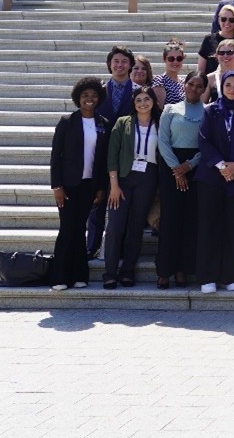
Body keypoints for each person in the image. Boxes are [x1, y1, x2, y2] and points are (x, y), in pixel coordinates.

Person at [48, 77, 109, 291]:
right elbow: (56, 157)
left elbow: (102, 160)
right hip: (67, 185)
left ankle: (79, 275)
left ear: (99, 98)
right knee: (67, 229)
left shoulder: (103, 123)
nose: (89, 99)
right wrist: (57, 186)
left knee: (80, 229)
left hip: (89, 185)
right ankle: (60, 277)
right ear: (78, 98)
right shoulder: (67, 122)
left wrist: (101, 187)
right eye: (85, 96)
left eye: (93, 96)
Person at [196, 70, 234, 293]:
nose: (232, 89)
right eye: (228, 85)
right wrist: (222, 166)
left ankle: (233, 275)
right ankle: (208, 276)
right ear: (222, 87)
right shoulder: (211, 111)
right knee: (210, 226)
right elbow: (203, 140)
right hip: (212, 178)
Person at [102, 86, 161, 289]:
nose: (143, 103)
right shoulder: (123, 123)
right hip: (123, 179)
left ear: (153, 101)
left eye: (147, 99)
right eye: (139, 100)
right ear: (133, 104)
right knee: (115, 226)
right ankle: (110, 272)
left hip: (148, 178)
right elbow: (112, 155)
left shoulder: (160, 123)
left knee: (136, 226)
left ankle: (127, 271)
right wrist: (114, 185)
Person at [155, 72, 206, 289]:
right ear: (184, 86)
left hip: (196, 169)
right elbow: (163, 141)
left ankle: (182, 270)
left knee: (189, 221)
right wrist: (177, 169)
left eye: (199, 86)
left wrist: (189, 166)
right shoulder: (170, 109)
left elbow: (208, 145)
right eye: (190, 84)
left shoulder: (208, 112)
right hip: (171, 168)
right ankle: (164, 270)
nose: (194, 89)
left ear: (204, 89)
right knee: (170, 220)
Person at [153, 39, 188, 107]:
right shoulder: (160, 81)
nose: (175, 62)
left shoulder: (183, 82)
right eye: (171, 59)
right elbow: (159, 109)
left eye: (179, 58)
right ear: (164, 59)